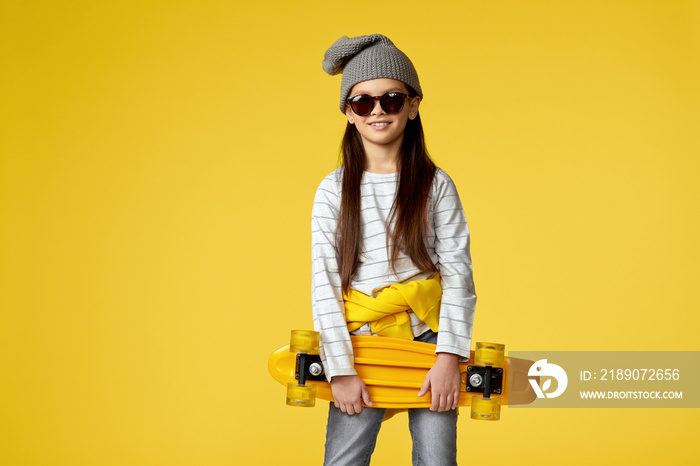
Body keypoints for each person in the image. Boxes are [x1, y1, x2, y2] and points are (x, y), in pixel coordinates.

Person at [311, 34, 477, 466]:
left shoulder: (436, 185)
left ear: (414, 104)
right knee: (343, 461)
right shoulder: (332, 190)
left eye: (391, 99)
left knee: (437, 459)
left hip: (429, 341)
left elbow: (459, 275)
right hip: (360, 349)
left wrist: (449, 356)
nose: (378, 111)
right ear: (349, 113)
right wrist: (341, 369)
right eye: (363, 102)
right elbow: (324, 283)